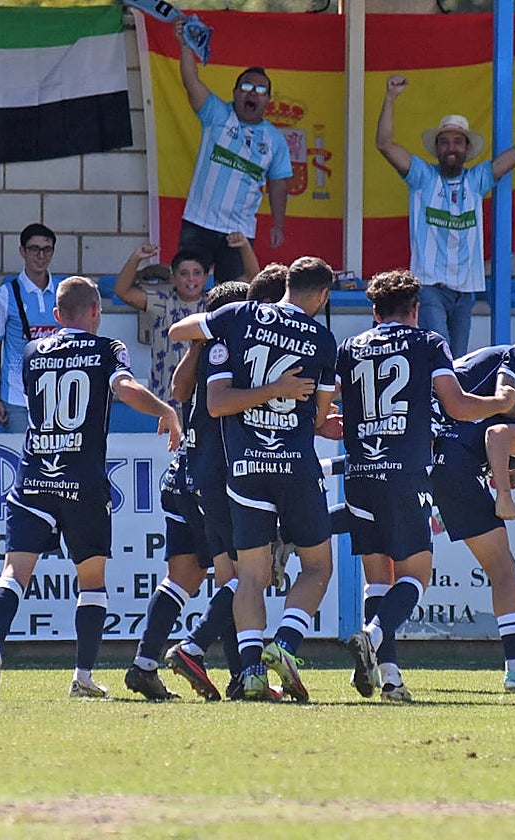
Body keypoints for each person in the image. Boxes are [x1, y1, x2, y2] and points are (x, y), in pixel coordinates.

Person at [0, 276, 182, 701]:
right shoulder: (108, 349)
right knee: (91, 581)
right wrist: (166, 410)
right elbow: (124, 389)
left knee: (14, 571)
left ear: (56, 315)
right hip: (82, 481)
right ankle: (83, 676)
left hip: (33, 477)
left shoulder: (33, 351)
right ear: (95, 313)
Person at [339, 269, 515, 702]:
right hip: (404, 470)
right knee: (416, 575)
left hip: (359, 471)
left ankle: (390, 680)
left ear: (374, 311)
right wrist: (499, 403)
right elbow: (457, 406)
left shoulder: (350, 348)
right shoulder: (427, 342)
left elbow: (333, 415)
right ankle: (373, 633)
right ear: (416, 310)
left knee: (377, 582)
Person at [168, 256, 342, 703]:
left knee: (251, 575)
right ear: (321, 296)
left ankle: (250, 673)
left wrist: (209, 332)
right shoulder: (322, 339)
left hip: (244, 469)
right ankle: (283, 644)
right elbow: (320, 414)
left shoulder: (238, 318)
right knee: (318, 565)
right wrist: (281, 392)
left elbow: (179, 336)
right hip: (296, 467)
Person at [124, 279, 257, 702]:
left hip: (182, 475)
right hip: (211, 478)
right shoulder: (232, 351)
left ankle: (145, 664)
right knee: (239, 575)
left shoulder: (203, 352)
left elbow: (178, 392)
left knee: (182, 577)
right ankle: (220, 663)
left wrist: (197, 346)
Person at [375, 74, 515, 357]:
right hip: (430, 286)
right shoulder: (423, 177)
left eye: (457, 142)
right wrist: (390, 97)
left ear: (467, 149)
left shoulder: (477, 179)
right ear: (437, 148)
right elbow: (384, 144)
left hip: (465, 289)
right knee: (440, 354)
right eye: (444, 142)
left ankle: (445, 403)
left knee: (459, 359)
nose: (451, 147)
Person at [430, 416, 515, 693]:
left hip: (430, 467)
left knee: (374, 531)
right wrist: (504, 493)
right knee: (504, 571)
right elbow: (497, 433)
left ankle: (380, 658)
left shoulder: (467, 422)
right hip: (458, 474)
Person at [174, 19, 291, 283]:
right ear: (236, 92)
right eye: (247, 87)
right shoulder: (217, 114)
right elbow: (191, 81)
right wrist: (185, 45)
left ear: (268, 100)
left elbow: (278, 184)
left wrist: (278, 224)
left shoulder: (275, 139)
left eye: (261, 90)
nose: (253, 93)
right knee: (188, 288)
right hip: (198, 223)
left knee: (234, 294)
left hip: (238, 232)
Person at [114, 236, 260, 405]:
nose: (191, 279)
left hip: (203, 400)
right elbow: (122, 291)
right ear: (173, 278)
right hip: (166, 398)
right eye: (184, 274)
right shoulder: (162, 302)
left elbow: (252, 282)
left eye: (197, 273)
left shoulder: (215, 302)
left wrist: (244, 247)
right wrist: (136, 257)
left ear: (206, 277)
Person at [0, 223, 63, 434]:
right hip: (17, 397)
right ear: (22, 251)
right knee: (20, 461)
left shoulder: (64, 291)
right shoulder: (4, 295)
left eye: (46, 250)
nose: (41, 256)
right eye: (34, 249)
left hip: (58, 396)